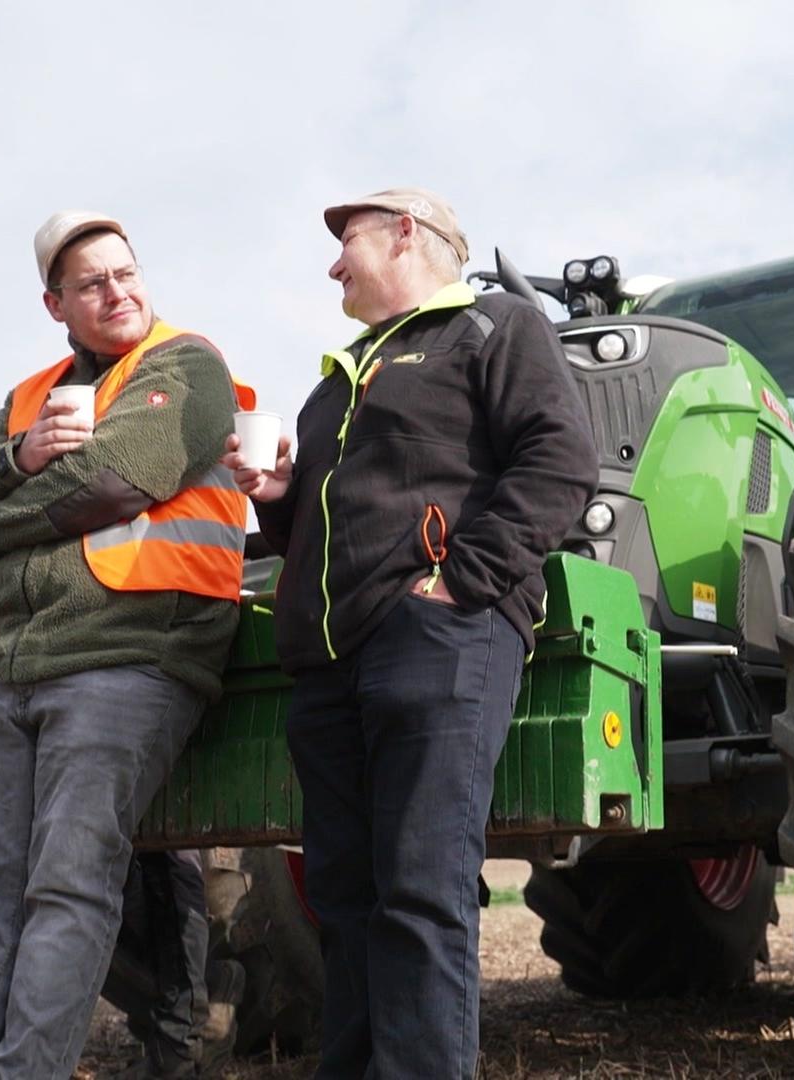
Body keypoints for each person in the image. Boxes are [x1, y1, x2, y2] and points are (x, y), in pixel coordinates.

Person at [225, 188, 597, 1077]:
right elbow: (318, 533)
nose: (331, 265)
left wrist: (459, 582)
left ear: (404, 233)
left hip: (435, 638)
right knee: (345, 896)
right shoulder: (332, 388)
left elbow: (560, 459)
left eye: (344, 240)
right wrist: (277, 503)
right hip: (328, 660)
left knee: (420, 887)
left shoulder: (492, 326)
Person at [0, 210, 246, 1079]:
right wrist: (19, 458)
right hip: (6, 664)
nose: (118, 291)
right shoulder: (32, 396)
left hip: (126, 653)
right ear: (55, 303)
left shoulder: (185, 364)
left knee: (67, 885)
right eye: (92, 282)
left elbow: (114, 480)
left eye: (126, 272)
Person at [0, 617, 242, 1080]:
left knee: (83, 886)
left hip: (123, 653)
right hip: (16, 665)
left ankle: (181, 1028)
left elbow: (95, 569)